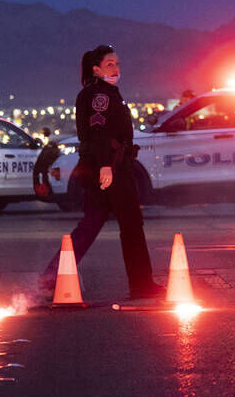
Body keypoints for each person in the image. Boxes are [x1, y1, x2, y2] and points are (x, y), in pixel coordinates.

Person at [39, 45, 164, 301]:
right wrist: (107, 166)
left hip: (99, 167)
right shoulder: (101, 96)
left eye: (117, 63)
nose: (116, 68)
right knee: (130, 225)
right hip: (112, 169)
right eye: (110, 64)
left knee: (92, 222)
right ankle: (141, 284)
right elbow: (99, 133)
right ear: (96, 69)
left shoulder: (98, 93)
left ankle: (51, 278)